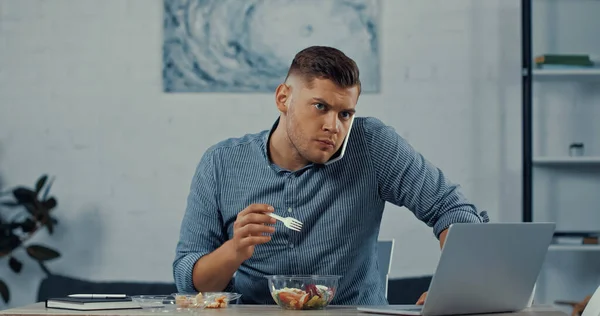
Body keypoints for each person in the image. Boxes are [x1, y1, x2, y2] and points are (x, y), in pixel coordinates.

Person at [173, 45, 489, 305]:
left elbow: (454, 210)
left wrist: (454, 289)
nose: (333, 126)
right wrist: (234, 251)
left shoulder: (371, 145)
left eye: (345, 113)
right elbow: (190, 284)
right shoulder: (222, 164)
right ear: (283, 98)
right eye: (320, 107)